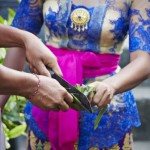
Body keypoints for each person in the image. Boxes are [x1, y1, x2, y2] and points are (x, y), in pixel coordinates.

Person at [1, 0, 150, 149]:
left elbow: (143, 60)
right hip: (47, 93)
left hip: (104, 103)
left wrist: (111, 85)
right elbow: (18, 42)